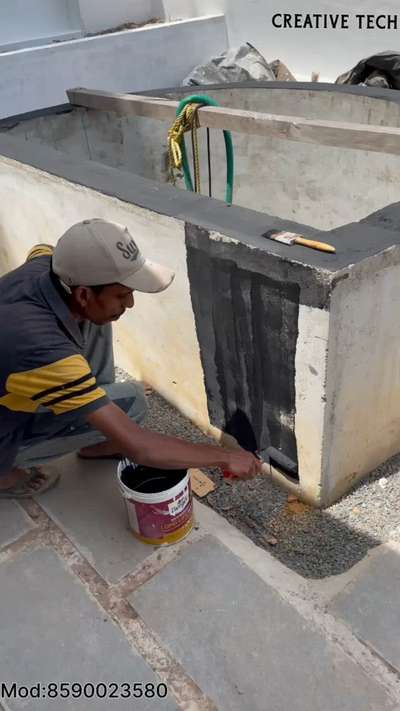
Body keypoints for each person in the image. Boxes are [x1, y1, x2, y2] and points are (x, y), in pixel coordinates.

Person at [0, 219, 262, 497]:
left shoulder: (48, 265)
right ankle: (4, 475)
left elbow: (42, 250)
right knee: (132, 404)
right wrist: (225, 457)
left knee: (99, 319)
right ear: (84, 293)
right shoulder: (42, 350)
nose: (131, 303)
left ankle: (95, 437)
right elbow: (141, 448)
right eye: (123, 294)